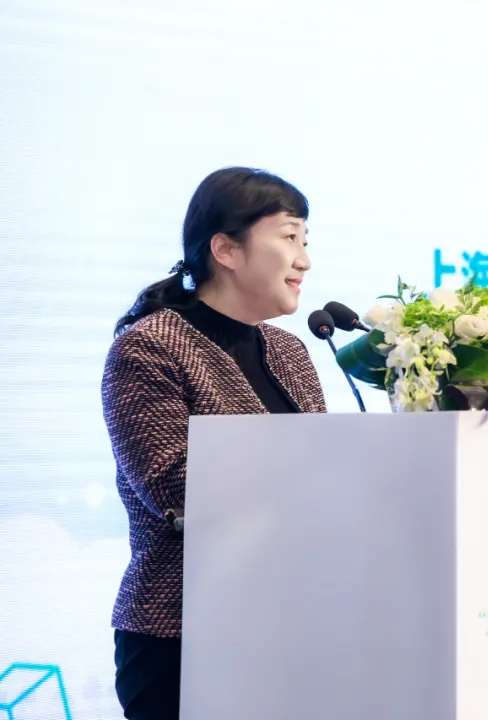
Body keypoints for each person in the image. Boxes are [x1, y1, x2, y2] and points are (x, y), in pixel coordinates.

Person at [102, 167, 327, 719]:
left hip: (290, 624)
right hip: (183, 633)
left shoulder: (291, 351)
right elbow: (175, 488)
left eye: (306, 241)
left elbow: (323, 475)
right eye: (289, 238)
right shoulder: (149, 347)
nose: (304, 260)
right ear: (225, 249)